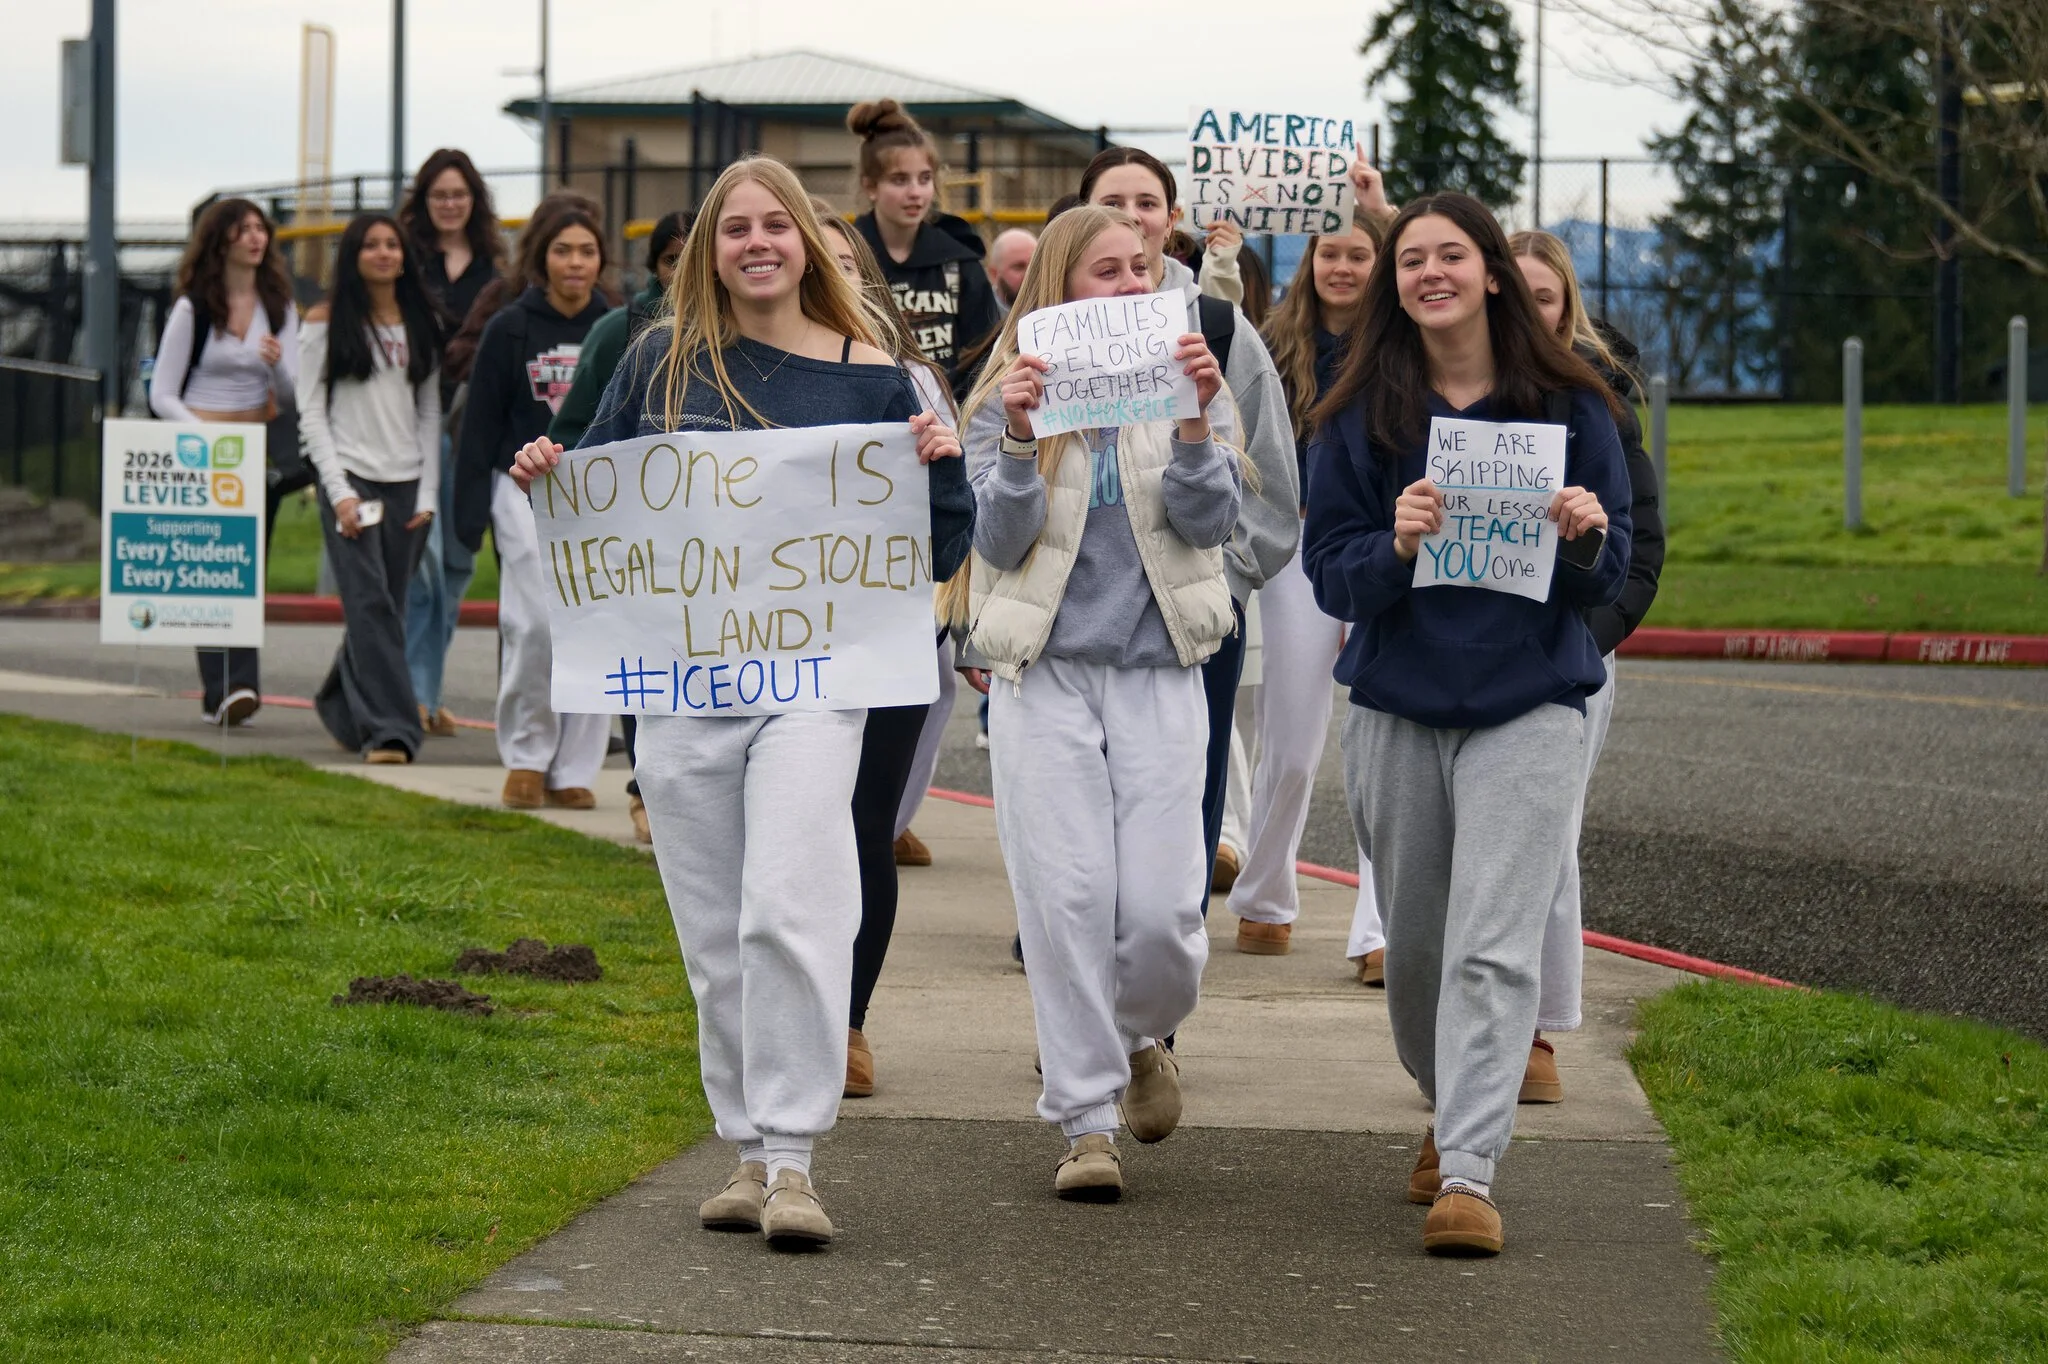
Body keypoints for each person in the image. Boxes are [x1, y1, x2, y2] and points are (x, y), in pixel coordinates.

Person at [511, 155, 970, 1248]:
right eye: (735, 228)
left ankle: (797, 1157)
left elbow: (939, 546)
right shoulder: (660, 361)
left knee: (788, 902)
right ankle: (748, 1148)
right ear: (709, 251)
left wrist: (943, 469)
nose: (756, 242)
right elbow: (601, 500)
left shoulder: (878, 377)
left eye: (775, 225)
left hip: (816, 688)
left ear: (806, 242)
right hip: (682, 690)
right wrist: (548, 474)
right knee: (713, 924)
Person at [1303, 192, 1632, 1256]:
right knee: (1418, 952)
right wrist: (1393, 546)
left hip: (1528, 704)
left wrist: (1584, 535)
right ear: (1393, 283)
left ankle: (1471, 1171)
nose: (1429, 273)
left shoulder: (1572, 406)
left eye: (1450, 254)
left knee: (1493, 945)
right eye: (1411, 259)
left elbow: (1613, 565)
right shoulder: (1359, 414)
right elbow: (1330, 574)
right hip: (1400, 706)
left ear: (1491, 272)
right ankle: (1448, 1104)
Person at [954, 203, 1239, 1203]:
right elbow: (997, 544)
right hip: (1046, 674)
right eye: (1104, 271)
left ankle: (1139, 1032)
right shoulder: (1004, 395)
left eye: (1140, 269)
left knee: (1162, 913)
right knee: (1065, 899)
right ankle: (1083, 1122)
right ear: (1060, 288)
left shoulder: (1190, 380)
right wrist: (1020, 436)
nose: (1128, 285)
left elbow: (1211, 524)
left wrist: (1196, 424)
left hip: (1159, 668)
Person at [1078, 147, 1298, 927]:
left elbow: (1269, 476)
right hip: (1077, 615)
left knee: (1185, 795)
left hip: (1190, 616)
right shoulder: (1044, 330)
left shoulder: (1217, 327)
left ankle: (1166, 966)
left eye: (1147, 202)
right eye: (1112, 201)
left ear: (1172, 219)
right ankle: (1074, 942)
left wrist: (1225, 582)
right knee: (1076, 793)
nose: (1131, 217)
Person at [812, 205, 973, 1098]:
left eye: (847, 262)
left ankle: (848, 1022)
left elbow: (954, 529)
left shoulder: (913, 381)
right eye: (818, 260)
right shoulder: (747, 374)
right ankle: (788, 1012)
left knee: (866, 827)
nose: (832, 277)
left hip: (890, 637)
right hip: (779, 644)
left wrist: (943, 465)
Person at [1509, 229, 1666, 1104]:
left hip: (1571, 658)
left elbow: (1640, 551)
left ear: (1567, 308)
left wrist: (1586, 638)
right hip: (1457, 653)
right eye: (1511, 294)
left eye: (1544, 297)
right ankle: (1464, 1026)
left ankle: (1534, 1030)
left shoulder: (1602, 408)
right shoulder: (1437, 397)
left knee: (1546, 838)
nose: (1527, 312)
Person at [1226, 207, 1392, 967]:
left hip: (1391, 545)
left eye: (1361, 254)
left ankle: (1382, 930)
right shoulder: (1273, 339)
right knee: (1291, 739)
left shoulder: (1403, 344)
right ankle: (1265, 896)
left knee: (1389, 741)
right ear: (1310, 259)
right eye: (1331, 253)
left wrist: (1380, 206)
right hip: (1298, 546)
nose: (1343, 268)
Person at [452, 199, 613, 811]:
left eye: (587, 251)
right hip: (521, 490)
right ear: (541, 258)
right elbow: (479, 426)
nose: (575, 262)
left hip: (600, 496)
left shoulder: (619, 328)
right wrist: (468, 514)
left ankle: (574, 767)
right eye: (562, 250)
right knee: (535, 625)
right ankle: (526, 755)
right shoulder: (510, 328)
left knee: (594, 626)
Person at [542, 209, 693, 843]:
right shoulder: (621, 332)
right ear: (654, 268)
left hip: (722, 538)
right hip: (641, 533)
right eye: (671, 260)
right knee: (647, 660)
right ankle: (643, 787)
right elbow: (574, 430)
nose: (684, 271)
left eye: (694, 255)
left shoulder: (754, 327)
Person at [297, 214, 443, 763]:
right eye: (371, 245)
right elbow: (311, 412)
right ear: (354, 256)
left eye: (391, 245)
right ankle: (393, 732)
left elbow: (428, 412)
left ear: (404, 256)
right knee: (370, 605)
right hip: (351, 477)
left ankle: (339, 705)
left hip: (407, 481)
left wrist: (428, 495)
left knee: (388, 609)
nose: (383, 253)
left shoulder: (422, 320)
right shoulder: (324, 320)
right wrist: (339, 491)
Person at [149, 198, 300, 727]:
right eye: (242, 230)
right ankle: (224, 688)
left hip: (254, 453)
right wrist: (205, 440)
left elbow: (292, 393)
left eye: (260, 228)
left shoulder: (278, 306)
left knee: (246, 567)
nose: (255, 238)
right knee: (210, 566)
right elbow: (162, 393)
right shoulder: (194, 308)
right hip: (202, 454)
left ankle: (240, 686)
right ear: (221, 241)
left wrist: (275, 367)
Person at [399, 149, 507, 740]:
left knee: (458, 563)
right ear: (423, 200)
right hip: (414, 421)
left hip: (471, 427)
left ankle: (427, 690)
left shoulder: (495, 268)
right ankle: (413, 692)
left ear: (474, 200)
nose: (449, 204)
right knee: (425, 566)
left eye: (459, 194)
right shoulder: (406, 260)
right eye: (439, 194)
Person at [847, 100, 1003, 394]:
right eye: (899, 180)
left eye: (925, 179)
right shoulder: (845, 258)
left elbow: (984, 358)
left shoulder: (959, 260)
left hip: (951, 411)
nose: (915, 193)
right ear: (870, 187)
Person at [985, 227, 1036, 308]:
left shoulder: (1052, 308)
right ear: (994, 274)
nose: (1029, 274)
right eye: (1019, 267)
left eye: (1034, 266)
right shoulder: (976, 312)